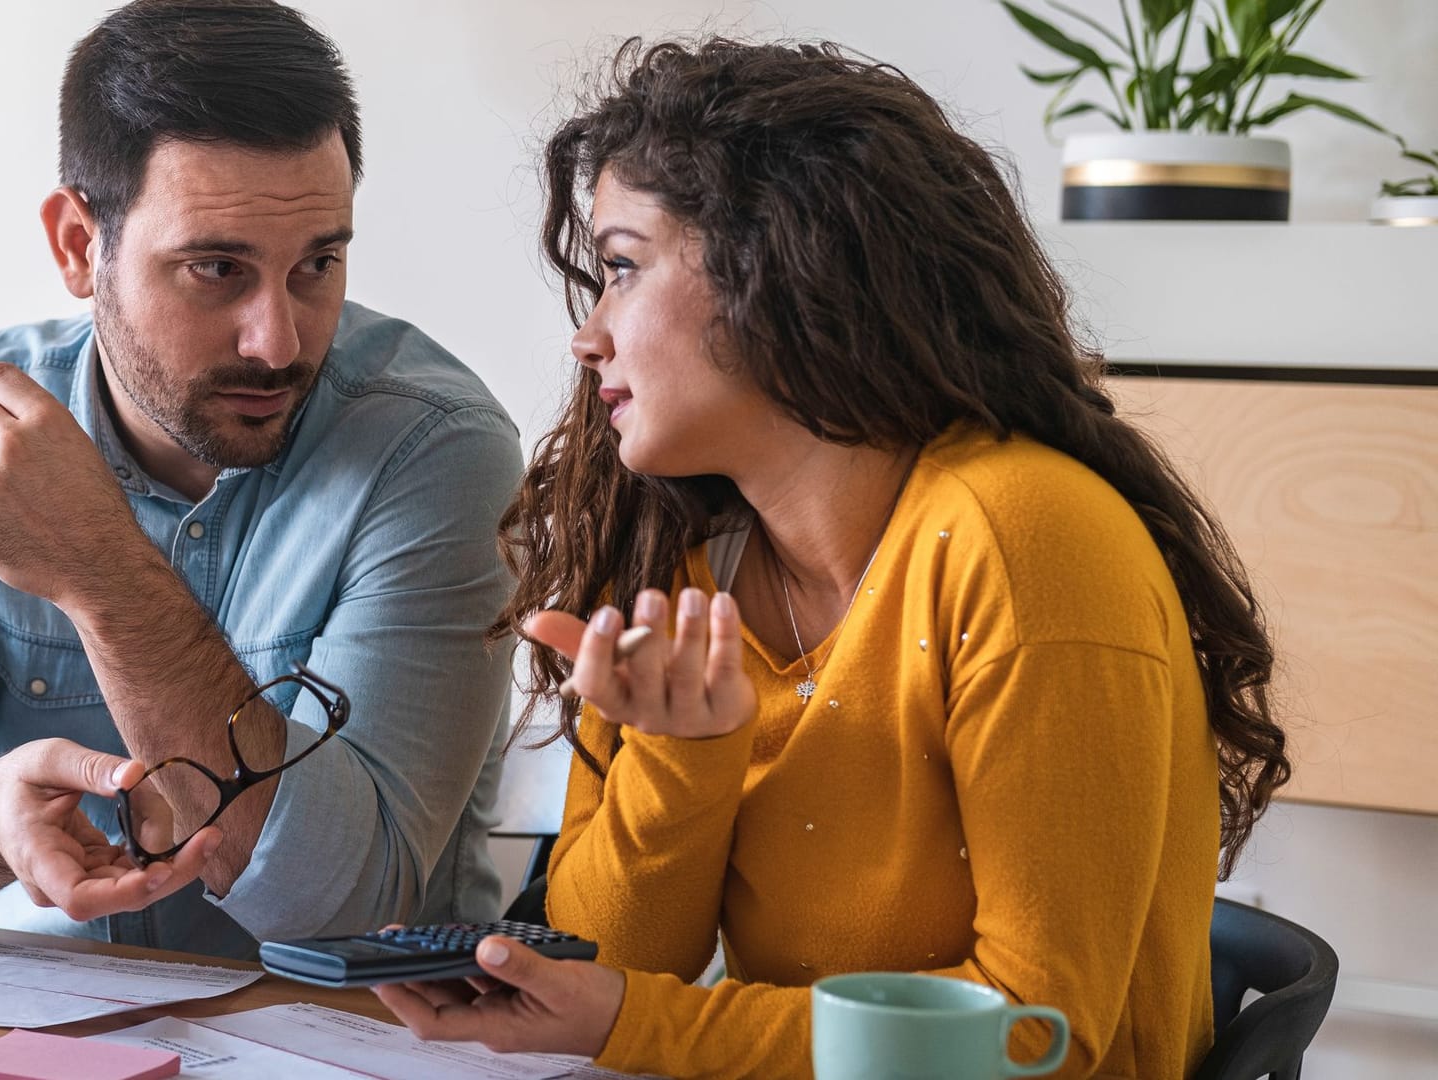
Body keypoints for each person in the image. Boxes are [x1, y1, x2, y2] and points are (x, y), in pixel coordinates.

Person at [372, 38, 1290, 1079]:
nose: (589, 337)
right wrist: (685, 758)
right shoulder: (694, 571)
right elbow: (607, 972)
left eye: (622, 267)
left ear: (778, 262)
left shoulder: (1025, 540)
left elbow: (1039, 1039)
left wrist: (638, 1021)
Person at [0, 0, 523, 959]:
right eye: (216, 269)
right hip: (44, 1031)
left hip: (356, 1040)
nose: (278, 340)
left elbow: (345, 904)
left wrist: (102, 572)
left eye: (318, 264)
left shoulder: (434, 451)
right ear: (79, 247)